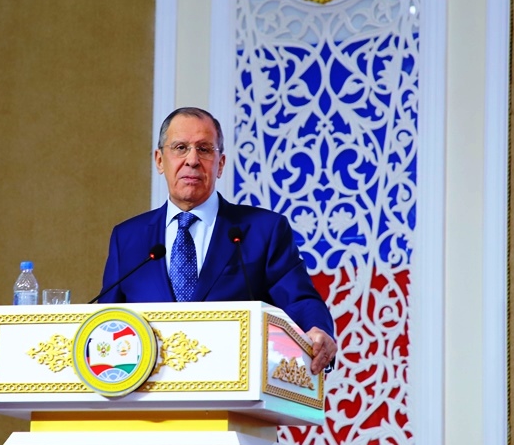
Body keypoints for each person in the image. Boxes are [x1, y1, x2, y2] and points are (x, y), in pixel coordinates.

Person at [99, 106, 338, 375]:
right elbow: (108, 320)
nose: (192, 160)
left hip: (234, 385)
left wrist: (318, 330)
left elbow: (298, 300)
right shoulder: (128, 238)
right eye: (180, 148)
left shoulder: (263, 230)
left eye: (204, 149)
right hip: (147, 389)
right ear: (159, 160)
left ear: (220, 164)